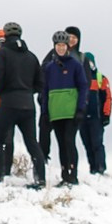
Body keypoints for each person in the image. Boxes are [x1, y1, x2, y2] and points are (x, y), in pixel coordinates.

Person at [0, 22, 43, 183]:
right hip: (28, 104)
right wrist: (28, 92)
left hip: (8, 103)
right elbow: (40, 81)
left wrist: (3, 93)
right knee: (32, 141)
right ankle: (41, 179)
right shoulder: (31, 56)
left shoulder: (2, 54)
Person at [38, 30, 91, 186]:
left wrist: (81, 108)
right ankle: (64, 174)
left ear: (67, 46)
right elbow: (45, 90)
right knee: (61, 143)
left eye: (63, 45)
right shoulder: (49, 67)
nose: (60, 48)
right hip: (55, 111)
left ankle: (72, 174)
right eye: (58, 45)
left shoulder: (75, 65)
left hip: (71, 111)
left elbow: (83, 86)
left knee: (69, 141)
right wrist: (45, 111)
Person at [81, 56, 111, 175]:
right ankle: (92, 168)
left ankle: (100, 168)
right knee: (87, 144)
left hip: (96, 118)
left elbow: (107, 98)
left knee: (97, 144)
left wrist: (106, 115)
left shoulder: (100, 79)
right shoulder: (79, 78)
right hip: (82, 118)